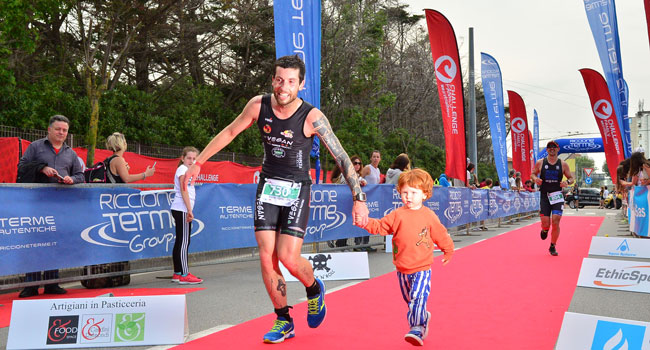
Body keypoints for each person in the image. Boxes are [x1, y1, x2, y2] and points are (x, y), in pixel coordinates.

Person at [183, 55, 369, 344]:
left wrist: (359, 198)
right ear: (273, 79)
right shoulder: (259, 105)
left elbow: (342, 157)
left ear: (301, 84)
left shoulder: (312, 116)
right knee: (266, 255)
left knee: (287, 257)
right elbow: (231, 131)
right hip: (268, 186)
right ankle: (283, 319)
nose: (284, 87)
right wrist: (199, 163)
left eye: (291, 82)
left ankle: (313, 288)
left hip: (297, 189)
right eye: (279, 80)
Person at [360, 169, 454, 346]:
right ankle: (423, 316)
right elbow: (380, 227)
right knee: (411, 301)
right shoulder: (397, 214)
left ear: (424, 194)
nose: (408, 197)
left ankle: (417, 327)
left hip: (422, 268)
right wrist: (364, 222)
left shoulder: (429, 216)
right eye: (404, 192)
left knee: (418, 298)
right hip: (402, 269)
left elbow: (441, 234)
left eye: (413, 193)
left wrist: (448, 249)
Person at [17, 115, 85, 297]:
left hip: (59, 206)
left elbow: (81, 175)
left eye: (64, 130)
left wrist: (72, 179)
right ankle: (31, 285)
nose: (61, 133)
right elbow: (21, 166)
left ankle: (52, 283)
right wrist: (41, 168)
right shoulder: (35, 147)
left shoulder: (71, 153)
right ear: (49, 129)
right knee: (34, 244)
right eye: (58, 129)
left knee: (54, 244)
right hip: (36, 205)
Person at [531, 140, 574, 256]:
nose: (552, 149)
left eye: (554, 147)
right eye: (549, 147)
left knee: (556, 220)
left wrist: (567, 182)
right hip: (545, 195)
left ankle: (552, 245)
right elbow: (533, 173)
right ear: (547, 149)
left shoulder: (563, 164)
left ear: (558, 149)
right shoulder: (540, 162)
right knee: (546, 223)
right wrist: (535, 179)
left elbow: (571, 178)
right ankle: (544, 230)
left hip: (557, 195)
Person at [170, 146, 203, 284]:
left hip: (181, 208)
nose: (191, 160)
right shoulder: (183, 169)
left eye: (194, 158)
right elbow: (184, 190)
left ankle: (178, 272)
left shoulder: (187, 170)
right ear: (183, 158)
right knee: (184, 242)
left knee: (181, 241)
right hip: (182, 209)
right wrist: (189, 210)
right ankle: (184, 274)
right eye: (189, 158)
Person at [330, 155, 366, 250]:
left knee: (349, 223)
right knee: (341, 222)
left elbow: (362, 181)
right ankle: (337, 242)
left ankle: (343, 243)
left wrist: (362, 182)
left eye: (359, 163)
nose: (357, 165)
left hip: (351, 203)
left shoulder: (358, 176)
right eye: (355, 163)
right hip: (341, 202)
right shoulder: (344, 174)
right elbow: (346, 181)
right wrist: (359, 182)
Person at [356, 150, 382, 251]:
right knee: (362, 219)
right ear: (371, 158)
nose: (375, 159)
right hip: (365, 198)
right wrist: (362, 181)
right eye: (374, 157)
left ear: (380, 159)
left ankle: (366, 243)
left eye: (377, 157)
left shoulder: (378, 170)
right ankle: (358, 243)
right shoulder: (368, 168)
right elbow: (358, 178)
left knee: (369, 220)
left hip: (373, 198)